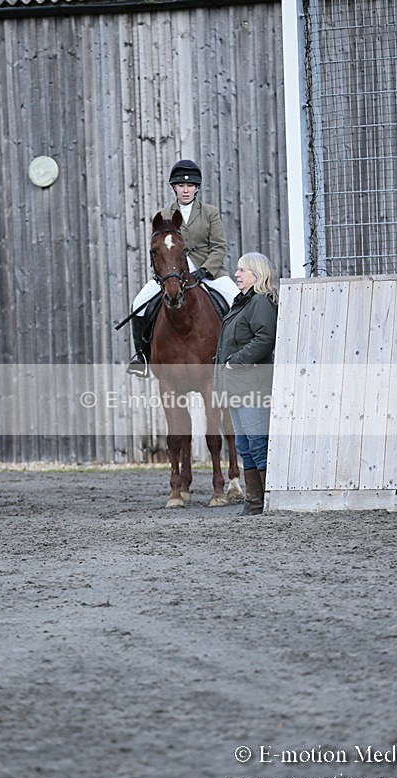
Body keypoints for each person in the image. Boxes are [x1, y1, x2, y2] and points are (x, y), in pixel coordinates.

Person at [127, 159, 239, 376]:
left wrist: (205, 270)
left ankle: (236, 354)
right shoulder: (163, 215)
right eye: (181, 185)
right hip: (172, 274)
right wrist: (161, 274)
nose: (186, 190)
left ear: (196, 188)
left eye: (190, 185)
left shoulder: (209, 213)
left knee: (236, 300)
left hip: (208, 273)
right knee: (139, 304)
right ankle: (142, 357)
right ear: (174, 188)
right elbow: (157, 249)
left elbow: (219, 247)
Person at [214, 252, 278, 515]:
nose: (236, 274)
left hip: (253, 384)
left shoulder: (261, 302)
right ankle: (253, 502)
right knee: (244, 445)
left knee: (258, 443)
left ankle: (267, 503)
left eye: (242, 270)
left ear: (256, 273)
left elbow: (265, 338)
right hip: (235, 385)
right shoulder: (241, 303)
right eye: (238, 270)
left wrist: (236, 361)